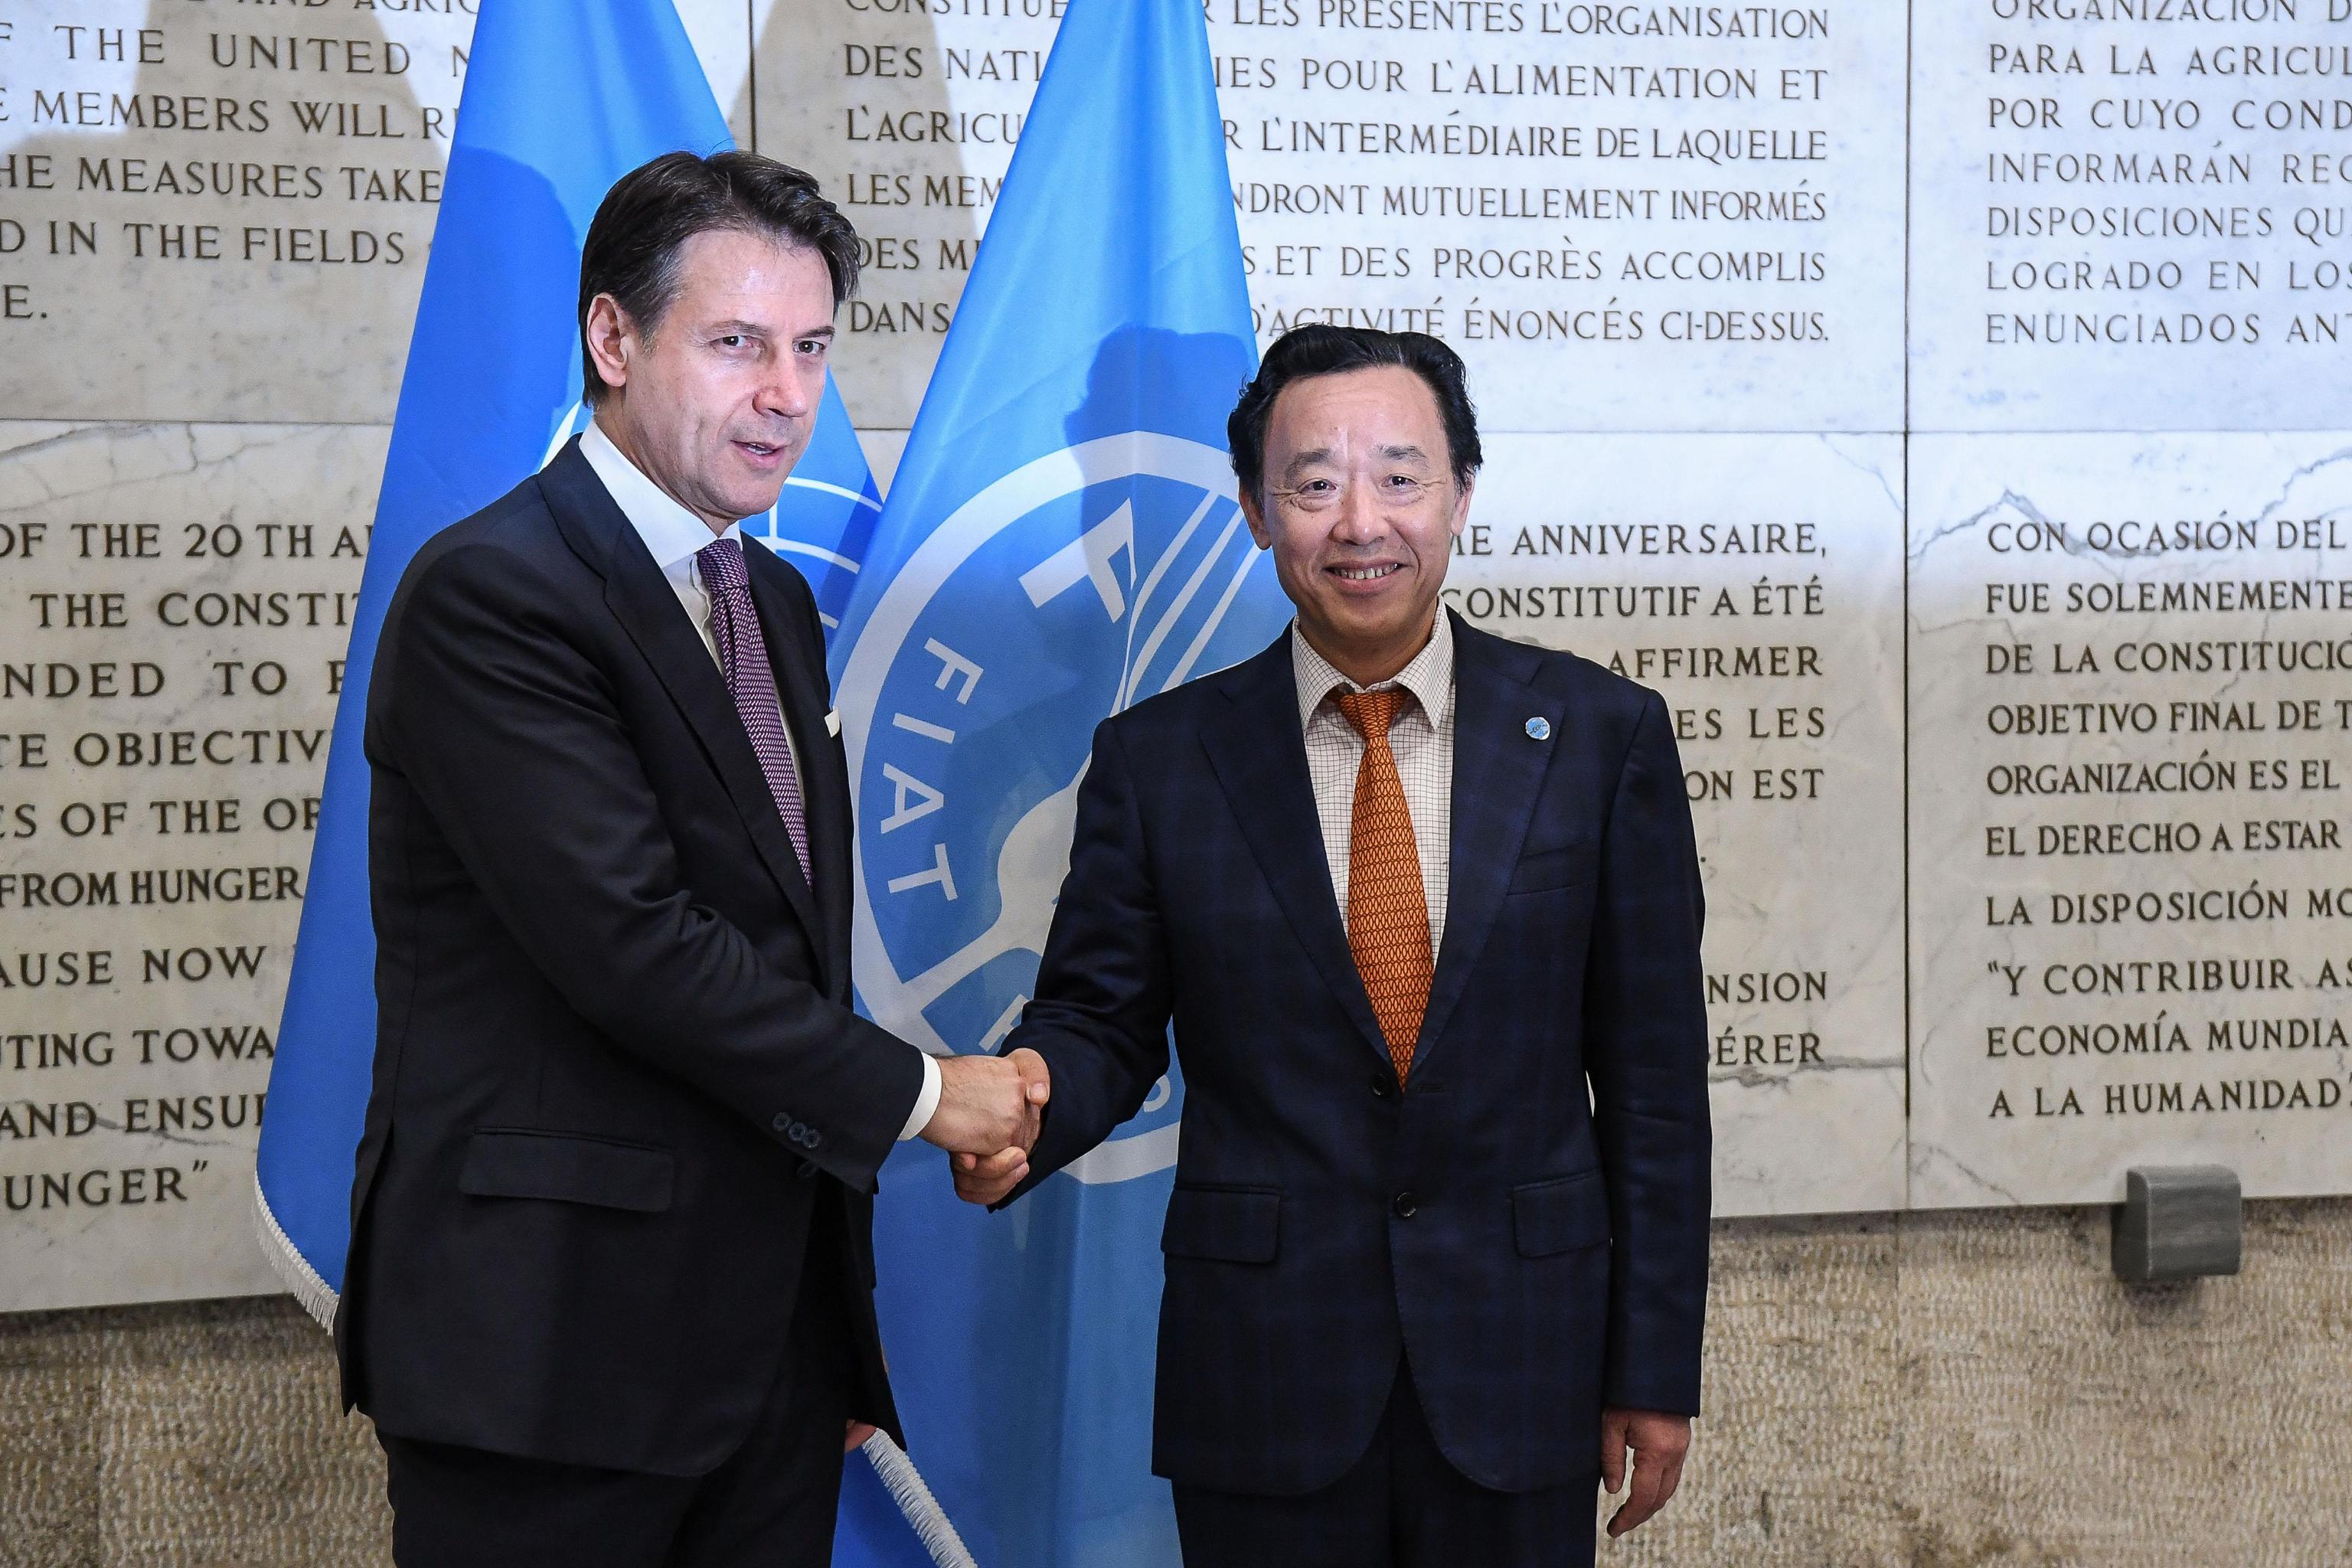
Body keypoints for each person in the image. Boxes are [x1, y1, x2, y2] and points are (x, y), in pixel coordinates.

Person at [338, 150, 1047, 1568]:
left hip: (764, 1361)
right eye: (736, 345)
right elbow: (639, 949)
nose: (787, 394)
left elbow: (789, 946)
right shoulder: (498, 593)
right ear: (612, 338)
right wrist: (932, 1097)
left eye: (811, 349)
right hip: (548, 1360)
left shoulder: (768, 595)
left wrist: (824, 1332)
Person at [953, 324, 1713, 1566]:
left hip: (1524, 1364)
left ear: (1463, 493)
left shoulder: (1599, 738)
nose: (1360, 521)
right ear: (1258, 511)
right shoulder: (1160, 762)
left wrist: (1653, 1362)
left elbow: (1653, 1090)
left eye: (1401, 477)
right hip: (1265, 1371)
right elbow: (1099, 1020)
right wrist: (1033, 1101)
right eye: (1314, 484)